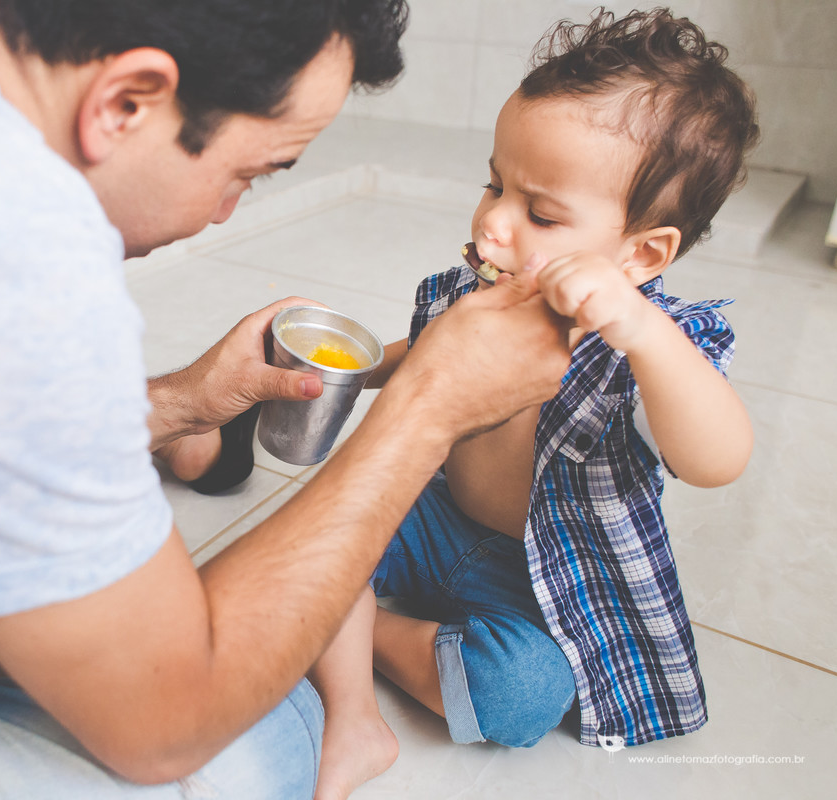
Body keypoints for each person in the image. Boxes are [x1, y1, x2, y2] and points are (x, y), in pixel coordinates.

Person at [0, 1, 576, 798]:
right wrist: (426, 408)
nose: (225, 214)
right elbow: (167, 722)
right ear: (127, 101)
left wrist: (180, 402)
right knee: (264, 733)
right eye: (249, 175)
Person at [306, 8, 760, 797]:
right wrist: (359, 369)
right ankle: (350, 720)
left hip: (539, 579)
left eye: (540, 213)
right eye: (494, 183)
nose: (492, 220)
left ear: (642, 253)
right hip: (432, 516)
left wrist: (644, 334)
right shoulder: (480, 292)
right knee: (322, 526)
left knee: (524, 695)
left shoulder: (652, 352)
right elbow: (433, 352)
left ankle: (363, 631)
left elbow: (717, 458)